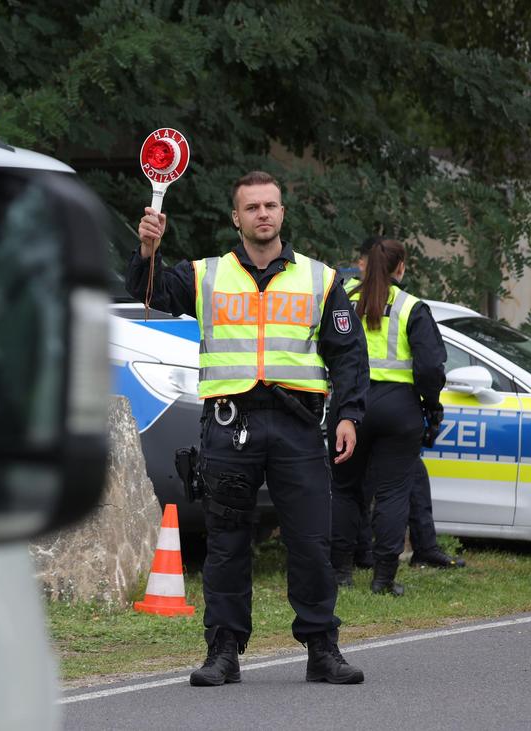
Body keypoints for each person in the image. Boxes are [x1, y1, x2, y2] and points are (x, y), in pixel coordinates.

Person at [129, 170, 369, 686]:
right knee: (226, 543)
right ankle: (223, 653)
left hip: (298, 427)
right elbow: (147, 293)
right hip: (228, 425)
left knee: (310, 542)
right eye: (253, 207)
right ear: (235, 218)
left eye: (272, 205)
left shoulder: (319, 279)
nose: (264, 214)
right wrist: (148, 251)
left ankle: (322, 649)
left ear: (283, 213)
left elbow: (348, 355)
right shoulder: (205, 274)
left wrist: (350, 415)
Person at [330, 238, 453, 594]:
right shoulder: (410, 306)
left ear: (364, 264)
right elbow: (431, 367)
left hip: (349, 405)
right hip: (398, 406)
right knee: (393, 493)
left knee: (343, 488)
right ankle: (383, 579)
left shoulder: (339, 297)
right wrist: (431, 404)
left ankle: (340, 573)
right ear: (400, 268)